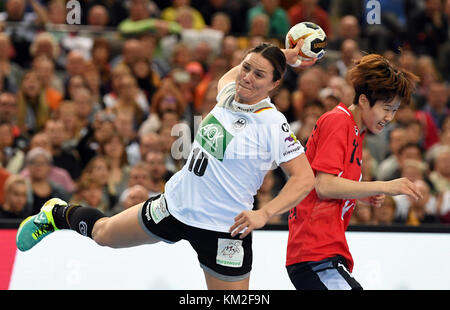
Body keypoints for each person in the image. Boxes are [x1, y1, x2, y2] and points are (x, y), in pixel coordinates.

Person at [16, 41, 316, 290]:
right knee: (104, 234)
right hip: (175, 206)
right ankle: (54, 215)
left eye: (259, 75)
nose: (247, 77)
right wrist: (281, 54)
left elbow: (304, 179)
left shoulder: (272, 123)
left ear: (275, 84)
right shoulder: (228, 94)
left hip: (225, 229)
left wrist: (265, 213)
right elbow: (232, 76)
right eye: (246, 67)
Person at [284, 54, 423, 290]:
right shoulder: (339, 122)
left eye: (395, 110)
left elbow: (331, 185)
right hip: (315, 253)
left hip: (325, 253)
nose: (389, 118)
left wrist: (360, 194)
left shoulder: (357, 132)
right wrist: (385, 186)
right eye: (386, 108)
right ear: (364, 100)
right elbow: (324, 185)